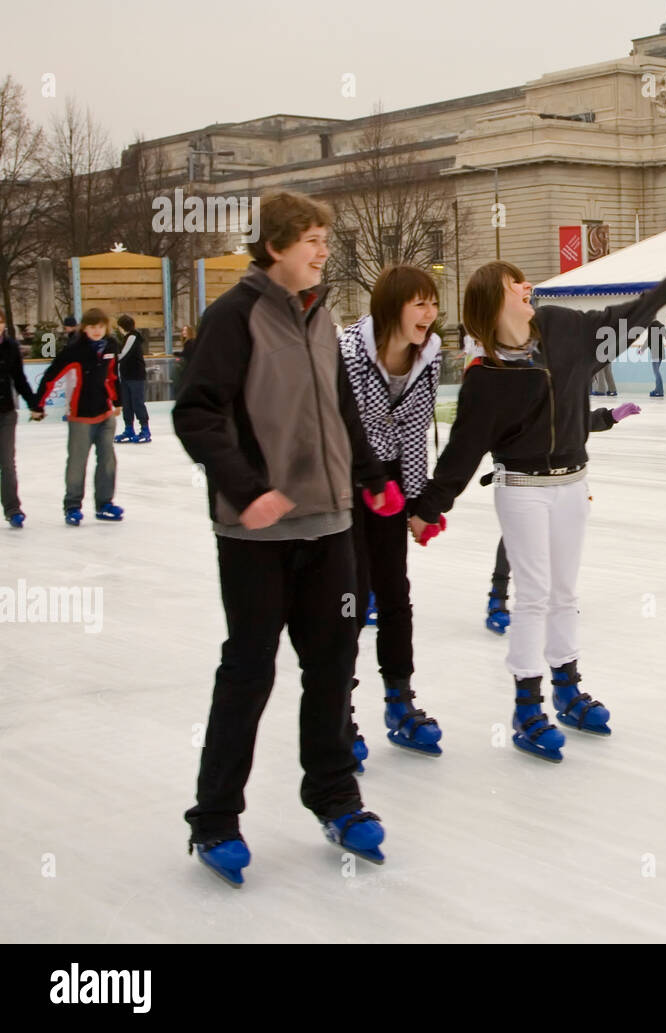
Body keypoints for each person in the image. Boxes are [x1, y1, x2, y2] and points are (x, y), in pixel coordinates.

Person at [173, 191, 395, 885]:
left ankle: (333, 794)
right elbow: (196, 414)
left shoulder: (323, 316)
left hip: (330, 525)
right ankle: (214, 817)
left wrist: (371, 477)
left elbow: (343, 409)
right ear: (274, 245)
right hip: (256, 535)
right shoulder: (233, 318)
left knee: (331, 664)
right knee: (250, 669)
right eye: (312, 239)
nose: (323, 250)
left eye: (326, 239)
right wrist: (246, 489)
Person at [413, 259, 666, 763]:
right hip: (522, 487)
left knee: (564, 592)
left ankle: (567, 688)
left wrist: (663, 290)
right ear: (491, 302)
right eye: (513, 283)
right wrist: (429, 507)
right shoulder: (486, 375)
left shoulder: (563, 326)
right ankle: (526, 705)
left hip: (572, 482)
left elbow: (619, 320)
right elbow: (462, 450)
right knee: (535, 594)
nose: (527, 286)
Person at [339, 264, 444, 772]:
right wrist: (367, 484)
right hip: (344, 482)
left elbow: (416, 430)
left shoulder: (428, 357)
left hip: (393, 483)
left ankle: (400, 699)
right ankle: (338, 711)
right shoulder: (349, 353)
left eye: (433, 303)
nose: (430, 313)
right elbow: (344, 428)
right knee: (350, 597)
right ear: (391, 308)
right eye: (419, 304)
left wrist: (420, 505)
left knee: (395, 591)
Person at [484, 404, 642, 635]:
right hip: (522, 477)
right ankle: (497, 596)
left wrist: (608, 417)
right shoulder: (514, 387)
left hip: (561, 477)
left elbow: (572, 422)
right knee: (516, 536)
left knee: (558, 539)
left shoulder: (556, 385)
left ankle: (557, 598)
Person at [33, 308, 123, 525]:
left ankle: (104, 504)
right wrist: (38, 404)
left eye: (100, 326)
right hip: (80, 415)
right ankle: (72, 505)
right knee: (77, 462)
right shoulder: (75, 350)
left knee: (108, 461)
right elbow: (51, 376)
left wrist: (117, 400)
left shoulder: (110, 346)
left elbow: (112, 375)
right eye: (92, 327)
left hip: (104, 412)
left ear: (106, 327)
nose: (97, 331)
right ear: (85, 328)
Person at [1, 306, 45, 528]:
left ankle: (12, 509)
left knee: (7, 463)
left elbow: (19, 379)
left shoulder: (10, 347)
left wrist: (34, 404)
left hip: (5, 413)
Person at [114, 314, 151, 443]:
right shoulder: (127, 338)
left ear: (121, 326)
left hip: (136, 376)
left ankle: (145, 429)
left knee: (137, 403)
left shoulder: (132, 336)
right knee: (127, 404)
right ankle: (129, 429)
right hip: (126, 376)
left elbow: (123, 355)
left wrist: (110, 361)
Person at [641, 316, 666, 396]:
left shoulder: (652, 326)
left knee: (656, 372)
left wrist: (642, 349)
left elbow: (649, 340)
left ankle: (660, 391)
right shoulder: (661, 325)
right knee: (657, 371)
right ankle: (657, 389)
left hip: (656, 352)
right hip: (661, 351)